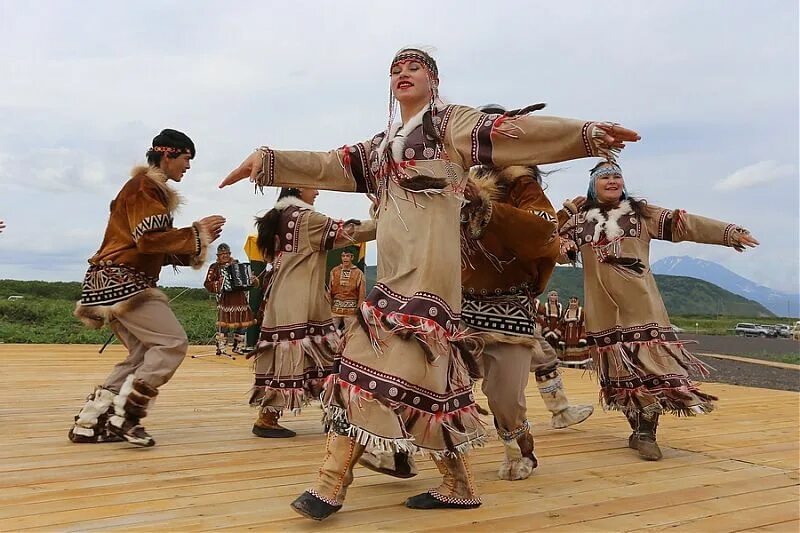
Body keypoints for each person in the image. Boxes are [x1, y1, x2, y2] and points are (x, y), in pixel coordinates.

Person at [220, 48, 639, 520]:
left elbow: (507, 132)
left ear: (434, 80)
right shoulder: (379, 148)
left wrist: (585, 134)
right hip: (395, 280)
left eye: (413, 67)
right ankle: (457, 483)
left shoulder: (450, 125)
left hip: (431, 282)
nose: (402, 73)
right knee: (430, 385)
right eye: (395, 69)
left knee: (361, 372)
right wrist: (268, 159)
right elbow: (327, 164)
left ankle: (330, 483)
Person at [558, 161, 758, 460]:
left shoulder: (641, 214)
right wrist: (563, 216)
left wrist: (729, 234)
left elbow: (685, 223)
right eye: (605, 178)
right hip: (602, 309)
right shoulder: (578, 221)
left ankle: (646, 432)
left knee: (650, 368)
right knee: (619, 376)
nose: (612, 181)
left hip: (641, 306)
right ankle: (638, 428)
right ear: (593, 185)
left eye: (616, 176)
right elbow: (552, 247)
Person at [71, 129, 225, 447]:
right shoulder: (144, 187)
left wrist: (197, 242)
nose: (189, 166)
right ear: (167, 155)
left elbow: (153, 248)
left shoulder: (147, 190)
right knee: (171, 343)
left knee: (142, 353)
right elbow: (148, 240)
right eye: (186, 159)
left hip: (109, 282)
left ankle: (90, 421)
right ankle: (125, 416)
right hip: (125, 283)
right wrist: (196, 233)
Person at [248, 187, 375, 439]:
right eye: (312, 186)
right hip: (299, 298)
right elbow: (352, 232)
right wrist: (385, 213)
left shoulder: (280, 216)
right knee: (316, 355)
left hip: (283, 297)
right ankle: (274, 418)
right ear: (298, 187)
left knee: (299, 356)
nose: (316, 191)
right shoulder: (305, 219)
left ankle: (327, 415)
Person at [203, 243, 257, 355]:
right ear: (218, 255)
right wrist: (219, 283)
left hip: (240, 299)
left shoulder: (237, 264)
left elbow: (247, 283)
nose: (225, 256)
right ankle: (221, 347)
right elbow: (208, 283)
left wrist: (251, 280)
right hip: (226, 300)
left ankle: (238, 346)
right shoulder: (214, 267)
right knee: (224, 325)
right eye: (222, 254)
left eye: (227, 253)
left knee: (243, 324)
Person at [328, 250, 367, 331]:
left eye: (347, 256)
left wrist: (359, 310)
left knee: (350, 334)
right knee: (330, 333)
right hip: (335, 310)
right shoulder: (335, 271)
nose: (345, 258)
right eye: (343, 256)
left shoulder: (358, 273)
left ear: (352, 257)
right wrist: (328, 307)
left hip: (351, 311)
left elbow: (362, 293)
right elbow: (329, 290)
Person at [559, 296, 591, 368]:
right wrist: (562, 338)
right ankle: (571, 370)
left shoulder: (581, 312)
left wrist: (582, 337)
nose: (573, 303)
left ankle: (581, 368)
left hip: (577, 337)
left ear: (577, 302)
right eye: (571, 301)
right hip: (568, 338)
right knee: (570, 358)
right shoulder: (565, 312)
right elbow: (562, 326)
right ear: (569, 302)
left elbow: (584, 324)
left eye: (575, 301)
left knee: (580, 356)